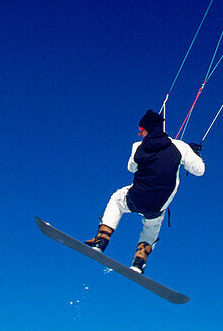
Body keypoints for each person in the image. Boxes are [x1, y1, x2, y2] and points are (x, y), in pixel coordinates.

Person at [85, 109, 205, 273]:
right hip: (157, 205)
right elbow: (199, 170)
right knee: (152, 226)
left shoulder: (137, 147)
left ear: (149, 129)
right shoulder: (181, 147)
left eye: (141, 129)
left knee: (116, 200)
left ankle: (101, 240)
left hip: (135, 197)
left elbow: (131, 168)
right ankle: (139, 262)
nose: (139, 132)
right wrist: (193, 154)